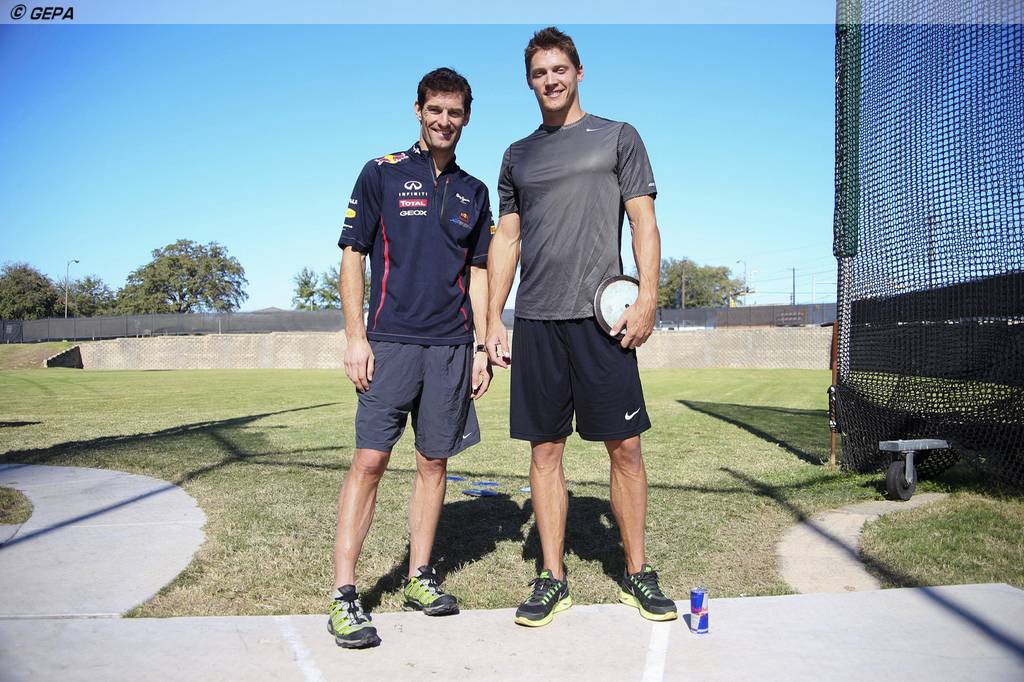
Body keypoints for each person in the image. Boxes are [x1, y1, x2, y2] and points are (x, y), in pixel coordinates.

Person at [486, 27, 677, 627]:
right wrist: (492, 317)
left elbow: (644, 222)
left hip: (603, 318)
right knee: (545, 451)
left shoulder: (618, 137)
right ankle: (553, 576)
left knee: (626, 448)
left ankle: (637, 571)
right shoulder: (517, 155)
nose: (551, 80)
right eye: (539, 73)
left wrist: (648, 297)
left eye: (559, 69)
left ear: (579, 72)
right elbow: (507, 239)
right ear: (529, 82)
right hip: (537, 321)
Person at [329, 67, 494, 649]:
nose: (444, 121)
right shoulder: (382, 172)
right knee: (370, 461)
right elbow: (353, 255)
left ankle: (420, 577)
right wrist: (356, 337)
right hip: (390, 342)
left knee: (433, 463)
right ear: (418, 110)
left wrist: (480, 346)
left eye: (455, 112)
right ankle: (344, 594)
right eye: (435, 110)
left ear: (466, 117)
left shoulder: (475, 191)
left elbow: (479, 272)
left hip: (452, 348)